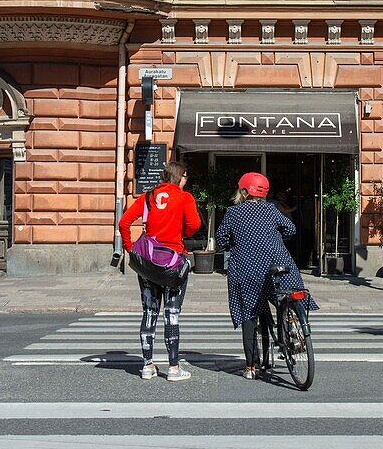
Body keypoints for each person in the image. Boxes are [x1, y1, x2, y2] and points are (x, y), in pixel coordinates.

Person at [217, 172, 318, 380]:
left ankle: (250, 368)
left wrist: (234, 245)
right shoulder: (271, 210)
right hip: (278, 263)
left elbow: (221, 239)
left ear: (244, 192)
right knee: (288, 293)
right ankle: (290, 325)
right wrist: (275, 240)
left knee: (249, 313)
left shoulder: (233, 213)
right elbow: (290, 228)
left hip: (247, 268)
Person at [118, 161, 201, 382]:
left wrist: (130, 249)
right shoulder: (185, 198)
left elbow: (124, 222)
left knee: (149, 312)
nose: (186, 181)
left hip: (148, 264)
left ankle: (147, 365)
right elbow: (194, 225)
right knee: (171, 314)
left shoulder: (148, 197)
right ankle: (173, 368)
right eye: (185, 177)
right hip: (172, 263)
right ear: (180, 176)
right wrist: (180, 230)